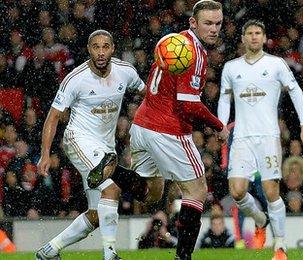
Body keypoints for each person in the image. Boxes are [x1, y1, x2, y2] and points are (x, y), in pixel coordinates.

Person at [35, 29, 145, 260]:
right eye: (96, 47)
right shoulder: (75, 78)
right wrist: (45, 154)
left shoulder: (126, 72)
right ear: (89, 49)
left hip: (106, 148)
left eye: (106, 46)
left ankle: (49, 250)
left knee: (96, 214)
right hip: (78, 139)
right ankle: (110, 255)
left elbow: (148, 95)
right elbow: (53, 116)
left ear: (113, 49)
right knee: (111, 189)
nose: (101, 52)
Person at [129, 1, 226, 259]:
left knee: (152, 193)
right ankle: (183, 257)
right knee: (196, 191)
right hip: (167, 129)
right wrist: (219, 126)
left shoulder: (174, 41)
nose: (214, 29)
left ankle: (112, 170)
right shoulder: (194, 52)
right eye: (208, 23)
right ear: (193, 23)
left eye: (218, 23)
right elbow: (188, 104)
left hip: (141, 124)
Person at [217, 20, 303, 260]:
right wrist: (221, 126)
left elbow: (295, 91)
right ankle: (260, 220)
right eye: (249, 33)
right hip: (241, 138)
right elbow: (224, 99)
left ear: (264, 38)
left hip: (269, 137)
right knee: (237, 192)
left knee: (271, 192)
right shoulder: (231, 67)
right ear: (242, 38)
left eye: (257, 33)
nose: (253, 37)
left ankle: (280, 246)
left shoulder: (276, 64)